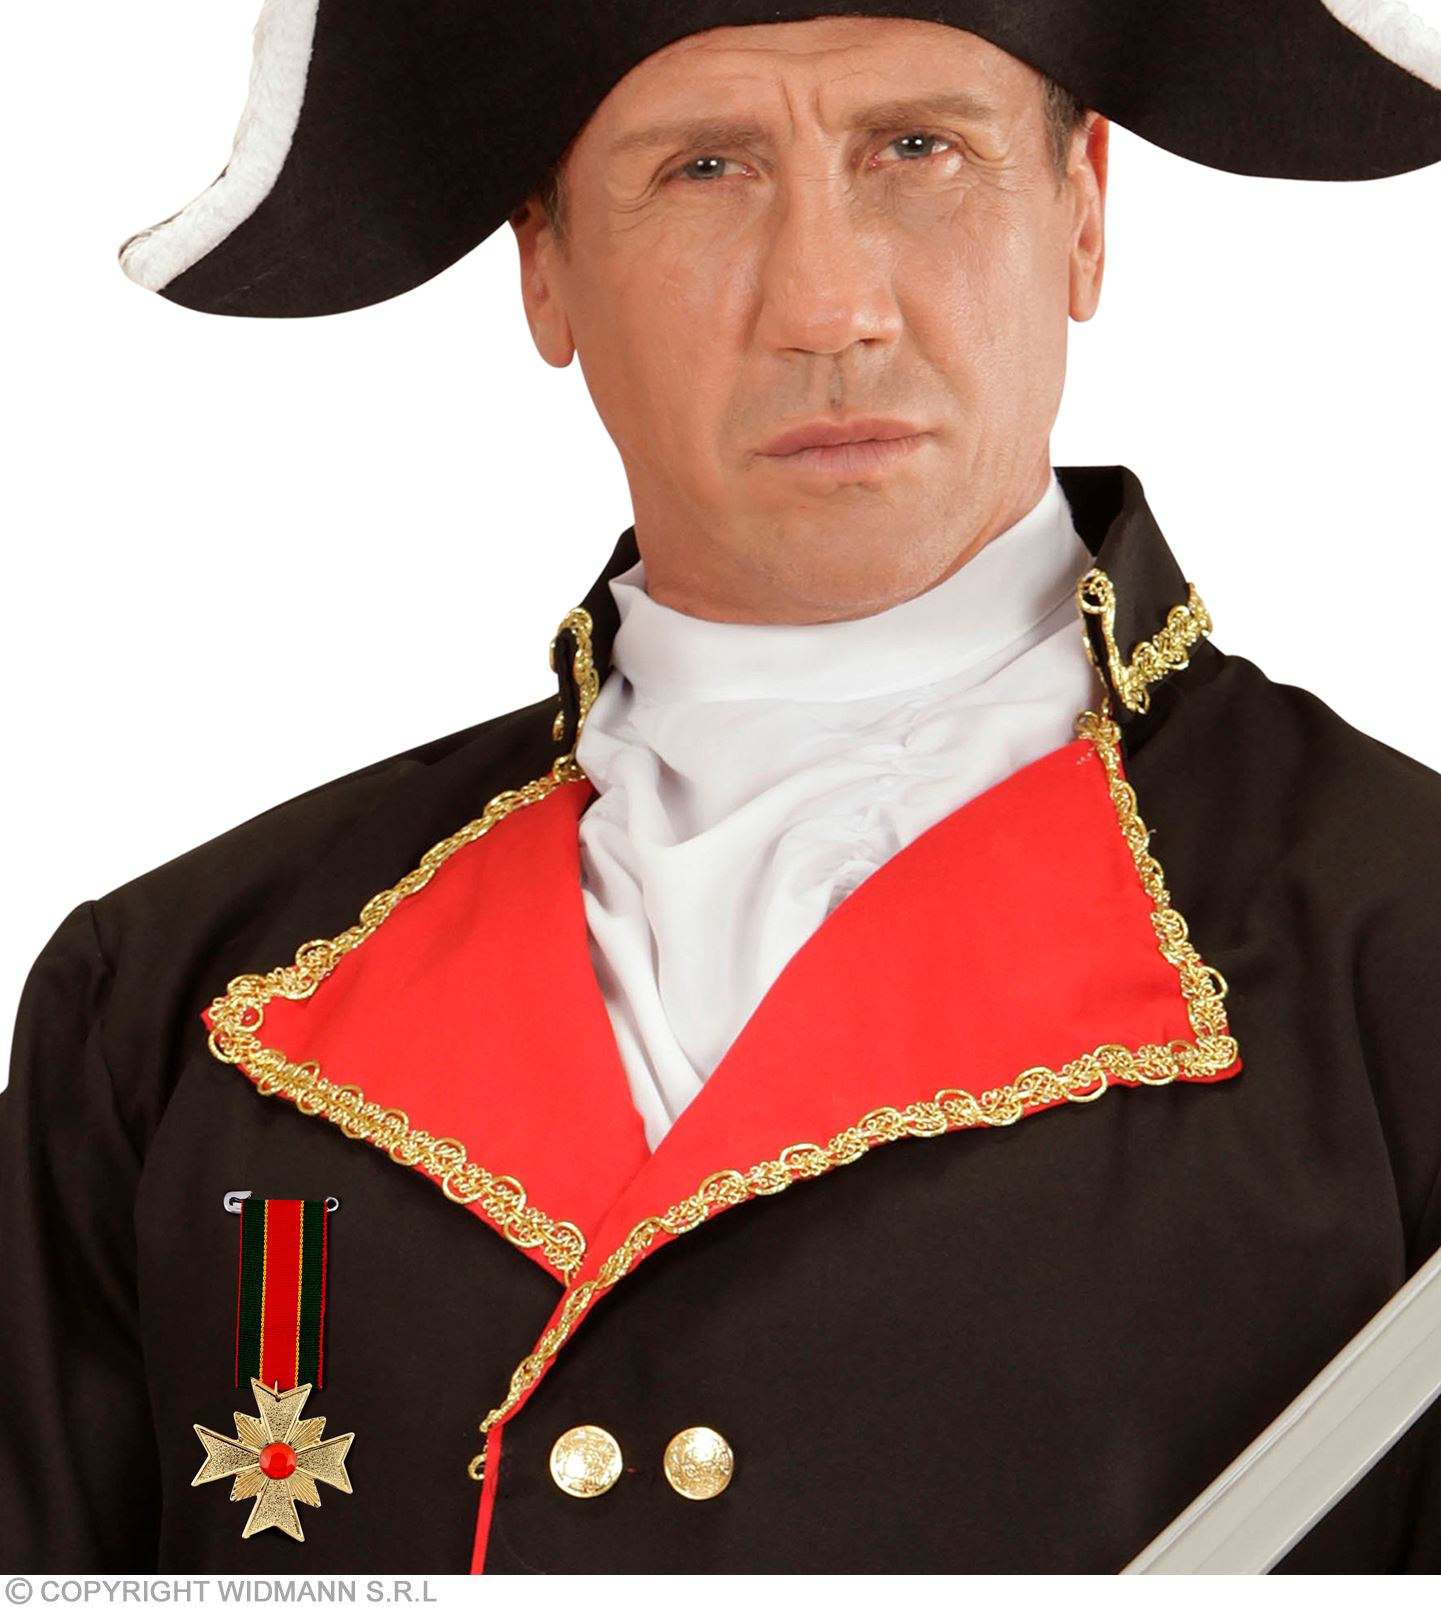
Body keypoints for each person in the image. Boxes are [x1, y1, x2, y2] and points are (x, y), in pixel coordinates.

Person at [3, 0, 1440, 1575]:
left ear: (1083, 210)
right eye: (703, 169)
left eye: (917, 148)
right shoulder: (173, 1010)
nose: (826, 307)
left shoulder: (1407, 953)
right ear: (544, 266)